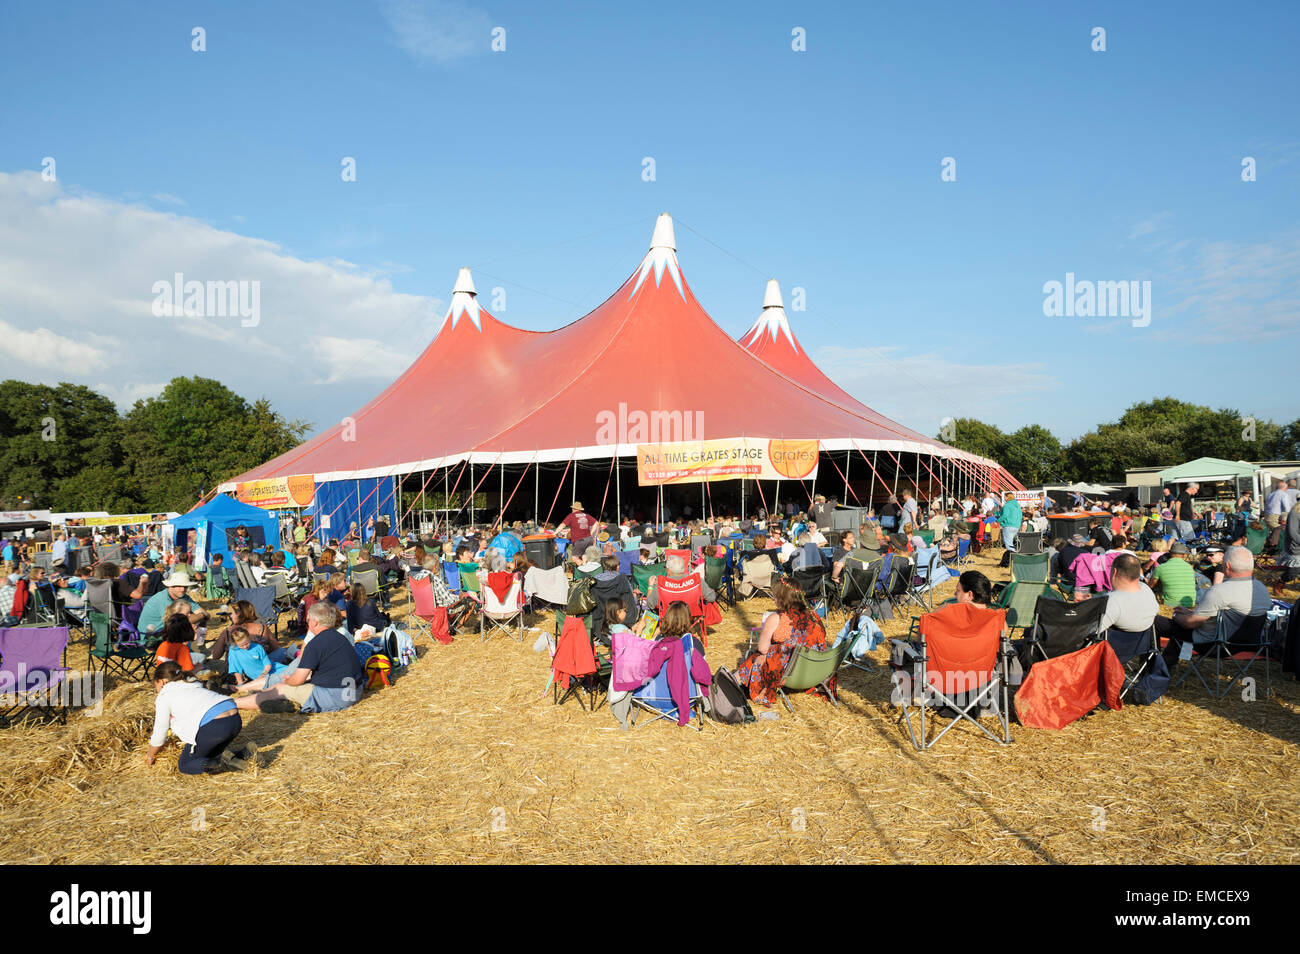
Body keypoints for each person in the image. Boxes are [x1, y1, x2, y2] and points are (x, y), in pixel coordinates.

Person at [233, 601, 364, 713]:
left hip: (336, 697)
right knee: (281, 687)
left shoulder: (316, 643)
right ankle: (261, 696)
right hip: (354, 692)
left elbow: (297, 680)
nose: (307, 623)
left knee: (279, 689)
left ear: (315, 623)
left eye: (308, 620)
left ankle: (233, 703)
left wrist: (287, 681)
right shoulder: (340, 637)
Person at [1156, 546, 1271, 665]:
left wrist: (1176, 615)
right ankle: (1163, 667)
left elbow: (1190, 623)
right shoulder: (1262, 589)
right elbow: (1227, 617)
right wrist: (1191, 613)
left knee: (1156, 622)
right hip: (1248, 644)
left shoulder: (1220, 591)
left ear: (1227, 566)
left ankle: (1151, 670)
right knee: (1179, 635)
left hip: (1214, 645)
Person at [145, 661, 256, 774]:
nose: (156, 689)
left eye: (156, 684)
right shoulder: (193, 684)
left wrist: (150, 754)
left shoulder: (164, 696)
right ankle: (244, 754)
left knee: (186, 765)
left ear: (162, 681)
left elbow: (160, 731)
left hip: (216, 725)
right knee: (209, 754)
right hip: (235, 720)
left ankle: (223, 763)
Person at [734, 579, 829, 707]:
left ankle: (732, 683)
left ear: (783, 598)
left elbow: (762, 648)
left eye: (776, 596)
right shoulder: (814, 616)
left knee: (756, 657)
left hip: (787, 675)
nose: (773, 599)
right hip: (813, 673)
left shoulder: (776, 618)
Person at [137, 571, 208, 642]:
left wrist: (200, 616)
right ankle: (191, 643)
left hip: (167, 630)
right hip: (153, 635)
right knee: (189, 623)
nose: (183, 589)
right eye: (179, 586)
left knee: (201, 620)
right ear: (170, 586)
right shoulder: (162, 598)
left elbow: (206, 614)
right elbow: (175, 623)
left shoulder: (183, 596)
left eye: (185, 586)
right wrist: (199, 616)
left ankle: (199, 642)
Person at [1098, 554, 1159, 634]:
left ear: (1115, 572)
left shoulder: (1112, 601)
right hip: (1143, 644)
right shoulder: (1147, 590)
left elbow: (1091, 630)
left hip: (1113, 644)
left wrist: (1084, 606)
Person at [1151, 541, 1197, 608]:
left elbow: (1151, 585)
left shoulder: (1161, 568)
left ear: (1169, 553)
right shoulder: (1190, 567)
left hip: (1171, 604)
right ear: (1184, 555)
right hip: (1190, 603)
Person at [1265, 479, 1298, 549]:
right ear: (1285, 488)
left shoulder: (1270, 494)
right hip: (1276, 517)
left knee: (1276, 532)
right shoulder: (1283, 494)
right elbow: (1287, 508)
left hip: (1267, 516)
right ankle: (1275, 548)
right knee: (1282, 531)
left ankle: (1271, 546)